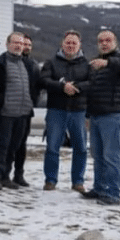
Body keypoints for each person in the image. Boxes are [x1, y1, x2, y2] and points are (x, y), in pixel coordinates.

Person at [83, 30, 120, 205]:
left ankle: (113, 193)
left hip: (114, 115)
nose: (104, 43)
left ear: (115, 42)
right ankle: (99, 189)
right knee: (98, 156)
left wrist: (108, 63)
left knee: (111, 156)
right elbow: (92, 90)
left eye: (108, 40)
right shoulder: (96, 65)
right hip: (96, 116)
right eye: (101, 41)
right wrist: (87, 114)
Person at [39, 30, 91, 192]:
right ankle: (50, 180)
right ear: (62, 44)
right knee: (52, 147)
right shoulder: (51, 62)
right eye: (68, 42)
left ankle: (78, 182)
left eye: (74, 43)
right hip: (56, 110)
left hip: (78, 111)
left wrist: (76, 87)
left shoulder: (87, 64)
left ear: (79, 45)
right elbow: (44, 80)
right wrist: (62, 86)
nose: (70, 45)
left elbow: (93, 83)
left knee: (81, 148)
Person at [0, 32, 39, 190]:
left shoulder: (27, 64)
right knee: (2, 145)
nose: (18, 46)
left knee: (14, 146)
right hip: (6, 113)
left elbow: (33, 87)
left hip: (23, 113)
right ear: (7, 44)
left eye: (21, 44)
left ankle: (5, 177)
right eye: (15, 42)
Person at [11, 34, 39, 187]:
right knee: (9, 143)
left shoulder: (33, 65)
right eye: (24, 44)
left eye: (29, 45)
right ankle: (3, 174)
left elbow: (37, 87)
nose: (26, 47)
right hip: (10, 109)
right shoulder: (10, 61)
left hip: (26, 110)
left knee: (22, 144)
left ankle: (18, 174)